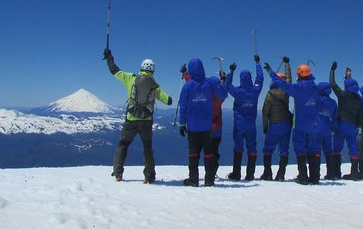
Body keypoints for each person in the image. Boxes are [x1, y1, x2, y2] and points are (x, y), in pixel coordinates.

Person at [103, 48, 172, 183]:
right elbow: (168, 100)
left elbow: (114, 70)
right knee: (147, 148)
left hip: (131, 119)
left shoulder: (130, 78)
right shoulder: (154, 85)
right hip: (146, 121)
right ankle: (149, 176)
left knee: (123, 144)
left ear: (141, 67)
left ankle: (118, 173)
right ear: (152, 70)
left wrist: (109, 57)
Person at [264, 61, 320, 185]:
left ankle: (303, 177)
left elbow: (281, 83)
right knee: (311, 149)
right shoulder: (315, 88)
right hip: (313, 125)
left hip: (299, 125)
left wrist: (270, 71)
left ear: (299, 75)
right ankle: (315, 177)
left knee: (300, 150)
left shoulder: (297, 88)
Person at [178, 58, 228, 187]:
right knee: (209, 153)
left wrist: (182, 124)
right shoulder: (209, 83)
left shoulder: (188, 86)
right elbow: (222, 94)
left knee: (193, 153)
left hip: (193, 127)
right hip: (207, 127)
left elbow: (183, 106)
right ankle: (209, 180)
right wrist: (224, 81)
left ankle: (193, 180)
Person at [226, 56, 264, 181]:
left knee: (238, 147)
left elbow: (228, 85)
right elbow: (260, 79)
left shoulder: (237, 92)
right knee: (252, 148)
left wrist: (231, 72)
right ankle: (250, 174)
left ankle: (236, 173)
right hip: (251, 125)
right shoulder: (255, 91)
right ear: (250, 78)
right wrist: (258, 63)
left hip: (239, 124)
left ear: (241, 79)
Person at [329, 61, 363, 180]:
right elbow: (360, 117)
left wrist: (332, 70)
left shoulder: (343, 96)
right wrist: (348, 77)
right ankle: (354, 172)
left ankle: (335, 173)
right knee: (353, 149)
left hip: (341, 125)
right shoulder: (359, 100)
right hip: (353, 127)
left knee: (336, 149)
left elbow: (332, 84)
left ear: (347, 86)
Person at [261, 56, 292, 181]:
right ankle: (281, 175)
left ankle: (267, 173)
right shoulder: (286, 92)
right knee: (284, 150)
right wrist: (287, 64)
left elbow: (265, 113)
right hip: (286, 125)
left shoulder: (270, 95)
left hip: (274, 125)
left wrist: (265, 127)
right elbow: (289, 79)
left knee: (268, 149)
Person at [316, 81, 338, 180]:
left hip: (317, 128)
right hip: (328, 129)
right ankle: (331, 174)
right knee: (329, 152)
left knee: (316, 152)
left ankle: (315, 174)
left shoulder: (317, 100)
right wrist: (333, 129)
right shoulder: (333, 102)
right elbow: (335, 118)